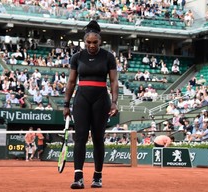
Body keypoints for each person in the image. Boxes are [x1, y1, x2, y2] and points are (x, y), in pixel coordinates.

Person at [63, 20, 118, 189]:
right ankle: (78, 177)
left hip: (101, 100)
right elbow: (71, 82)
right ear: (84, 41)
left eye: (95, 42)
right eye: (88, 42)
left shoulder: (108, 56)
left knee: (97, 139)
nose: (91, 45)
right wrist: (66, 104)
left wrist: (114, 102)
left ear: (100, 41)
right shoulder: (77, 57)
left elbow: (114, 81)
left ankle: (97, 177)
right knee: (80, 138)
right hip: (82, 100)